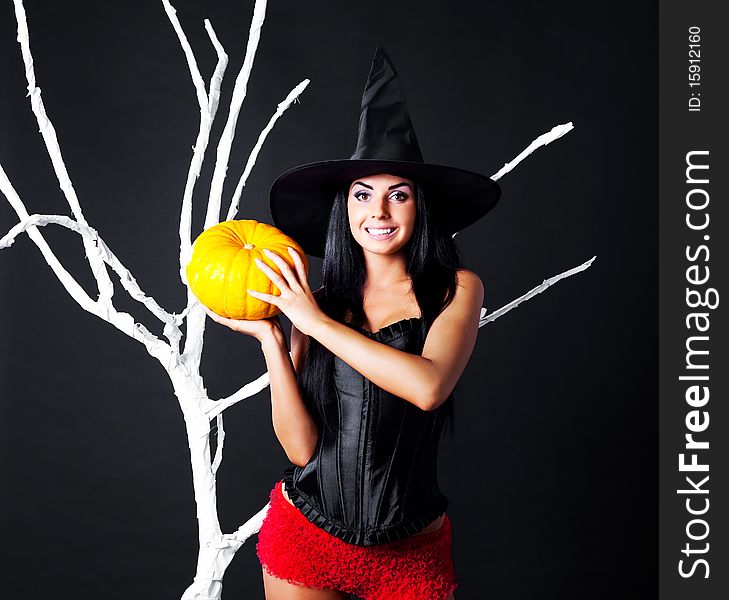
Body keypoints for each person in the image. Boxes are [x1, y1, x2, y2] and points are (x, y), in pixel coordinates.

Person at [204, 46, 500, 600]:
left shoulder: (457, 289)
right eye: (362, 196)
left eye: (399, 196)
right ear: (345, 210)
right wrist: (275, 337)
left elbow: (429, 387)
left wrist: (312, 322)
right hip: (308, 537)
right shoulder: (315, 305)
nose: (379, 213)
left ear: (420, 208)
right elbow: (300, 450)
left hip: (411, 551)